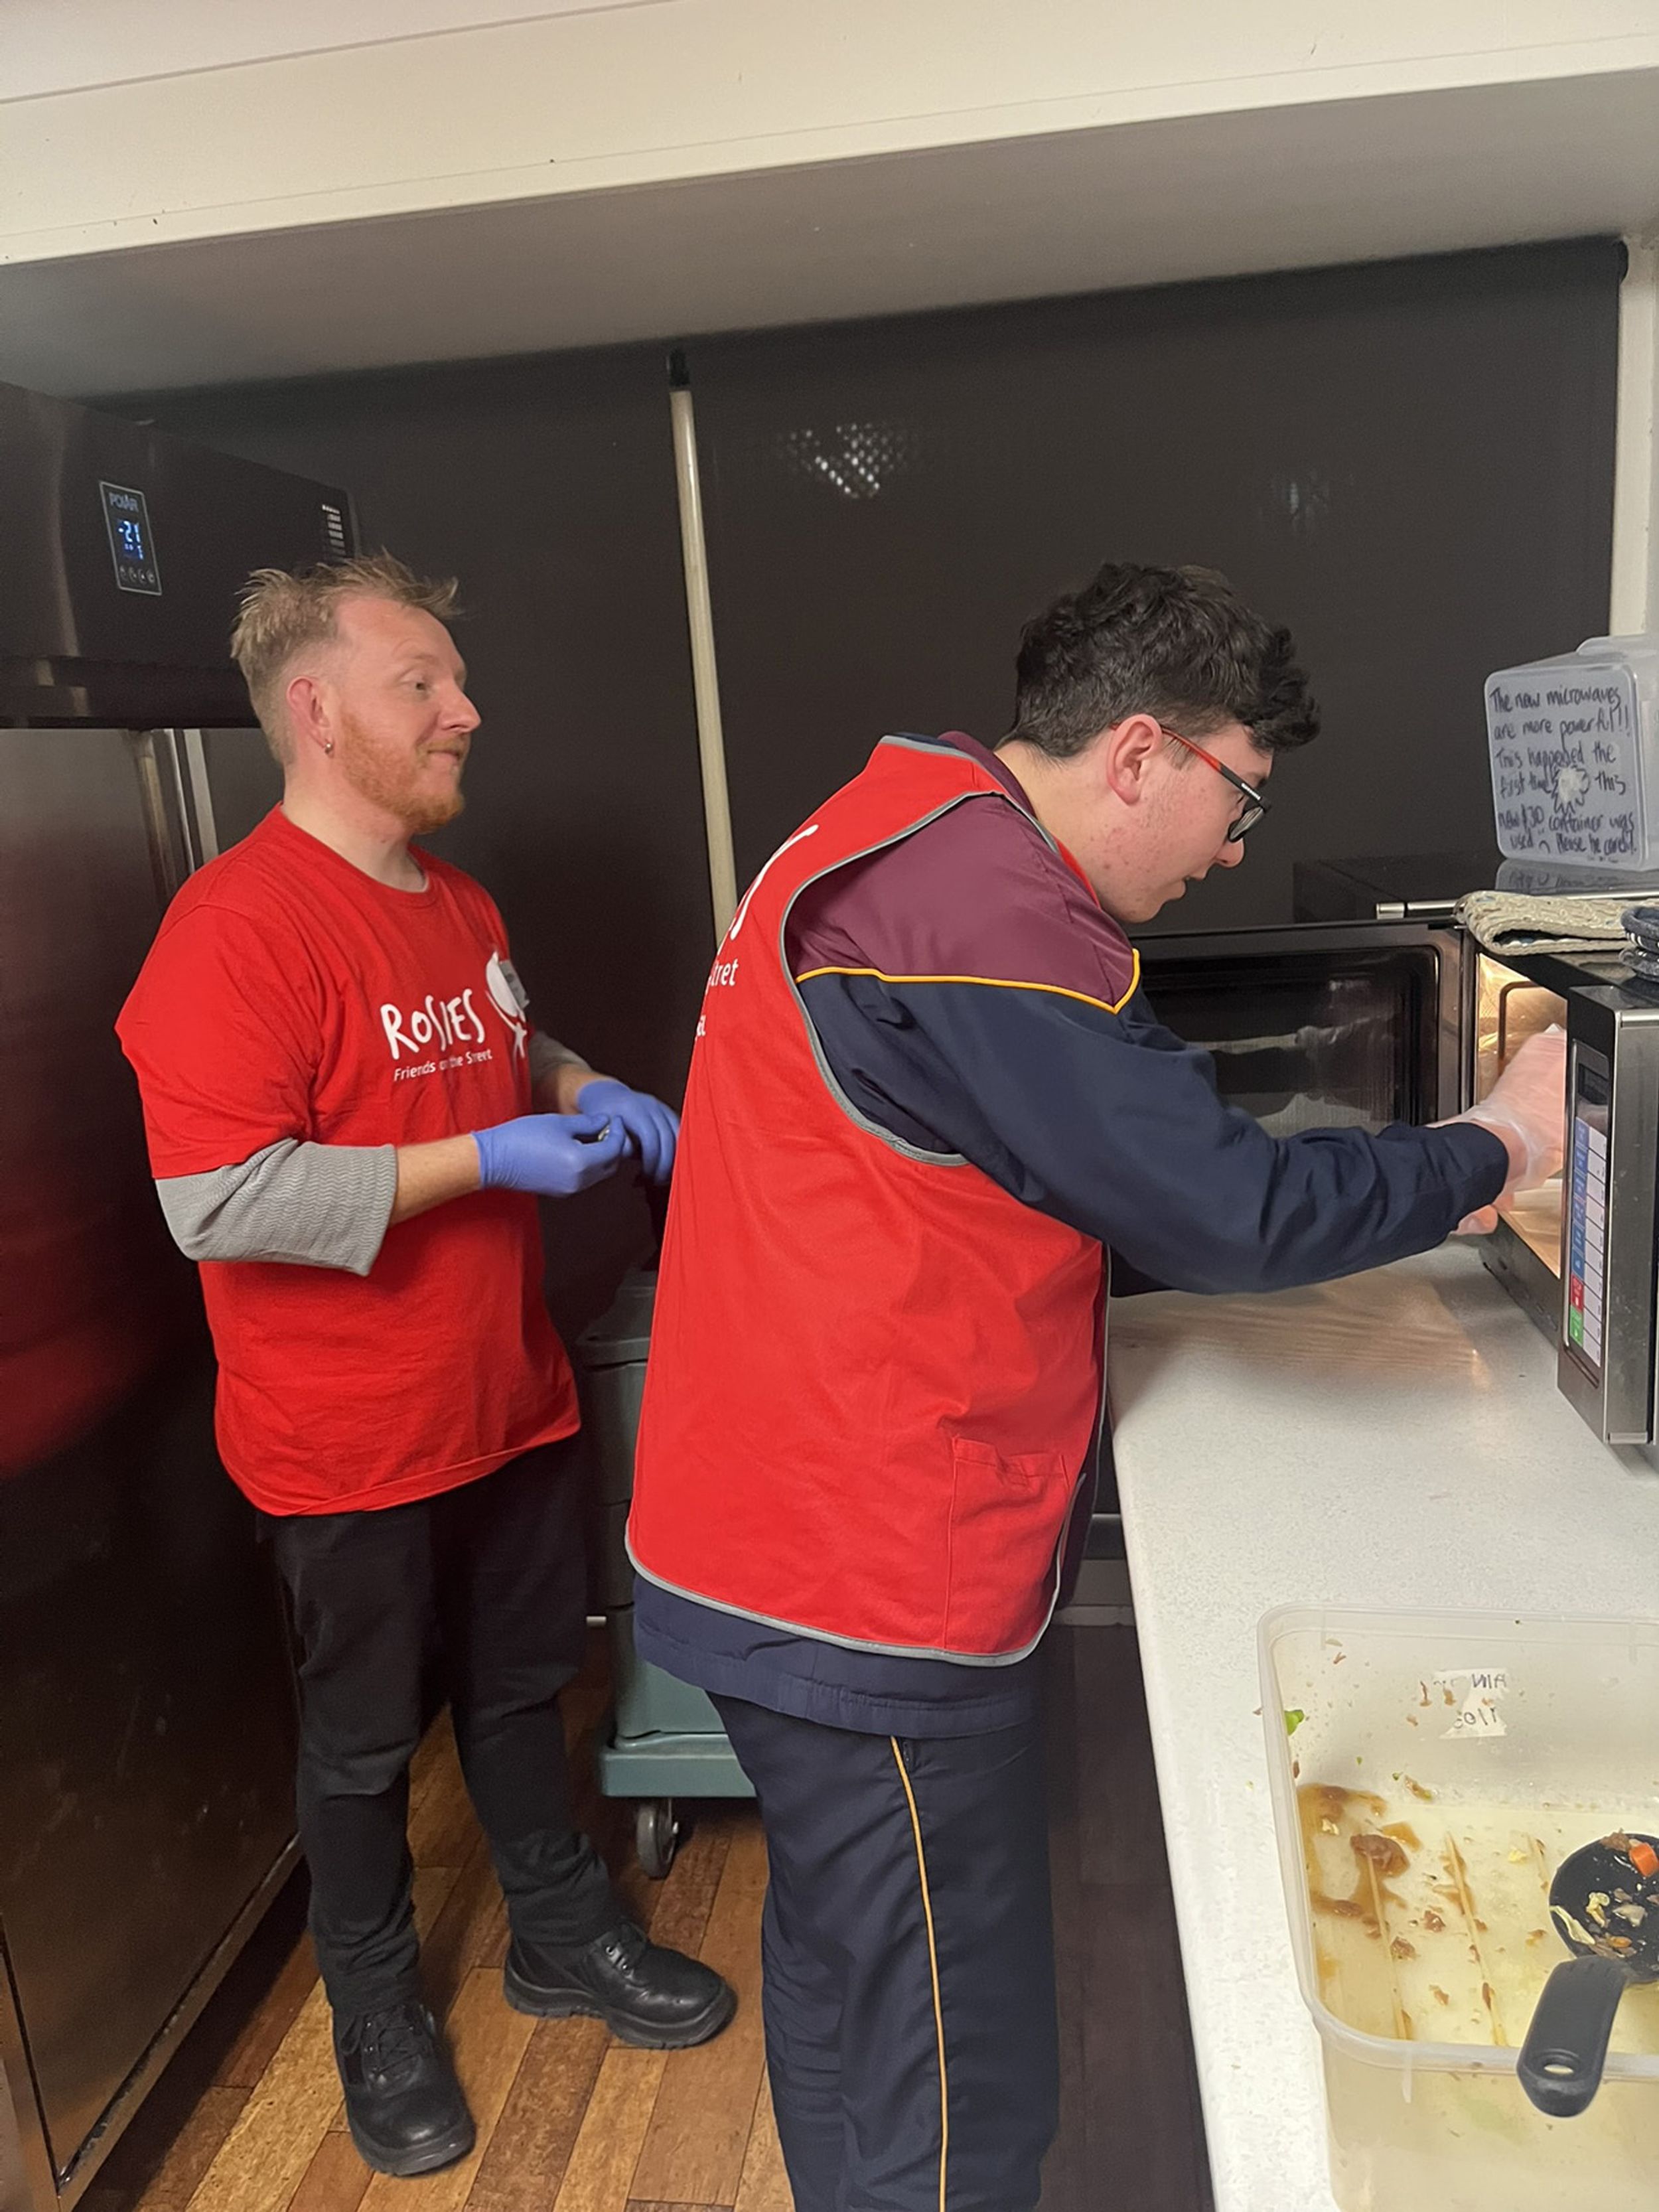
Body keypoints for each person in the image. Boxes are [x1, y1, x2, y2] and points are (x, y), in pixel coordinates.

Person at [627, 561, 1565, 2212]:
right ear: (1139, 751)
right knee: (957, 2084)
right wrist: (1498, 1142)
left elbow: (1010, 1170)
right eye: (1237, 797)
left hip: (760, 1534)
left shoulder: (896, 829)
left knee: (852, 1985)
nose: (1231, 848)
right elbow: (1222, 1209)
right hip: (870, 1577)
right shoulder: (982, 905)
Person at [116, 553, 733, 2181]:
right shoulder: (232, 930)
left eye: (455, 682)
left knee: (522, 1689)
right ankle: (376, 2008)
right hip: (346, 1442)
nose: (465, 710)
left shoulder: (457, 905)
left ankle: (559, 1933)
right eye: (423, 685)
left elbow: (501, 1045)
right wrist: (480, 1163)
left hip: (506, 1397)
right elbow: (215, 1200)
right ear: (317, 711)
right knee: (362, 1747)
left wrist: (580, 1085)